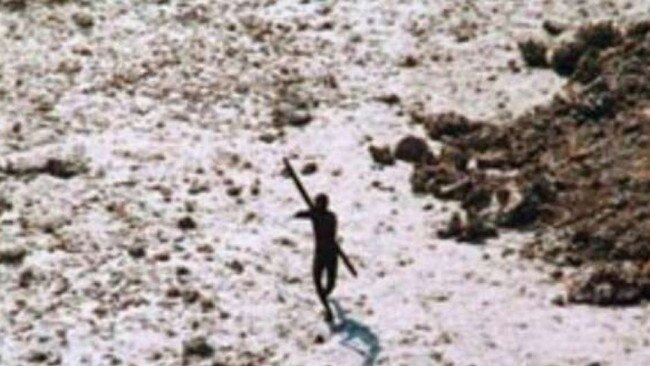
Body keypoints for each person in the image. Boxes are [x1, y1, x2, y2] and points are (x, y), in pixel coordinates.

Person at [294, 193, 339, 322]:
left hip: (324, 253)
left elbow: (302, 215)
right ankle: (326, 305)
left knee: (322, 281)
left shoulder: (321, 216)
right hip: (331, 252)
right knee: (324, 281)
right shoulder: (329, 216)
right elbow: (302, 214)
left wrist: (313, 212)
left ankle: (325, 301)